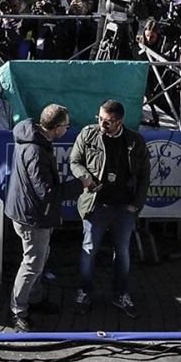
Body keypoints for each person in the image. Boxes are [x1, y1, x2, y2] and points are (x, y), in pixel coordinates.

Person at [68, 98, 151, 313]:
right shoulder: (89, 134)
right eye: (100, 119)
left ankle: (120, 293)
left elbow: (144, 176)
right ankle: (84, 292)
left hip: (124, 207)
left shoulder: (135, 141)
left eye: (107, 121)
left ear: (119, 122)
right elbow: (74, 160)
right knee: (89, 249)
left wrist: (136, 205)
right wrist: (85, 176)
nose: (102, 124)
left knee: (122, 252)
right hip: (95, 205)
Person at [4, 101, 79, 331]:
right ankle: (19, 309)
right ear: (56, 127)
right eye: (66, 125)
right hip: (32, 215)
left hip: (29, 211)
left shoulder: (32, 137)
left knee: (39, 258)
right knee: (33, 263)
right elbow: (47, 192)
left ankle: (33, 299)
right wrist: (80, 185)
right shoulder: (36, 151)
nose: (67, 129)